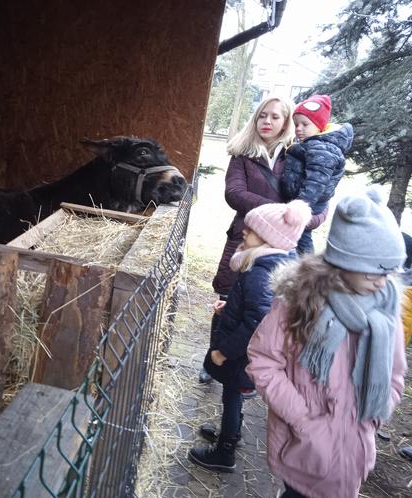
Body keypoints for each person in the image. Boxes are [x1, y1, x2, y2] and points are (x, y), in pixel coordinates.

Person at [247, 188, 408, 498]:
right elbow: (263, 361)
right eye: (374, 270)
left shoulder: (385, 312)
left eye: (389, 271)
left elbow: (395, 374)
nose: (382, 282)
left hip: (356, 449)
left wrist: (377, 412)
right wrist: (304, 420)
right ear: (343, 261)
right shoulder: (300, 304)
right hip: (306, 449)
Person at [201, 96, 326, 384]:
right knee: (226, 303)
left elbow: (319, 208)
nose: (267, 122)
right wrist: (282, 212)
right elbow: (234, 193)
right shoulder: (243, 155)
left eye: (275, 117)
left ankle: (249, 372)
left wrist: (301, 218)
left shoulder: (300, 154)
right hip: (245, 239)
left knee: (265, 310)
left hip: (282, 249)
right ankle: (212, 361)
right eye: (262, 116)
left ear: (286, 123)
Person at [188, 199, 312, 473]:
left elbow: (257, 320)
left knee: (232, 395)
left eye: (252, 230)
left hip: (242, 354)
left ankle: (225, 451)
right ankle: (231, 433)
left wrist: (224, 351)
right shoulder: (274, 263)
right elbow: (252, 303)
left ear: (269, 239)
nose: (244, 231)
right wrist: (228, 303)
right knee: (234, 394)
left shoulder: (262, 272)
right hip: (248, 352)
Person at [281, 94, 354, 254]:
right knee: (297, 238)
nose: (299, 128)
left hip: (308, 203)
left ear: (320, 125)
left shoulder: (323, 149)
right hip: (305, 200)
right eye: (296, 124)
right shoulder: (314, 144)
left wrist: (301, 205)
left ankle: (308, 269)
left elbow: (316, 181)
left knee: (301, 238)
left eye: (305, 124)